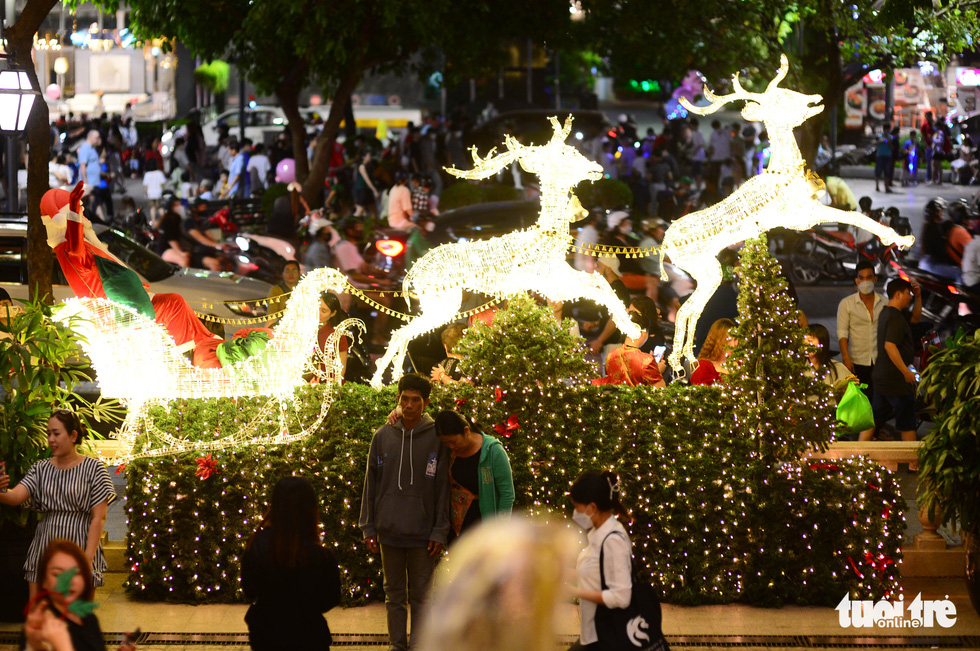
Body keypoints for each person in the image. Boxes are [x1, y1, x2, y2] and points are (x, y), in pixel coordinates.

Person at [359, 374, 450, 651]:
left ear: (426, 403)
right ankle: (397, 646)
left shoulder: (437, 438)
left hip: (423, 535)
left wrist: (439, 530)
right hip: (389, 531)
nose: (409, 405)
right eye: (404, 399)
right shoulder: (382, 436)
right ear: (397, 400)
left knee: (423, 597)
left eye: (416, 400)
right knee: (393, 595)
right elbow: (370, 484)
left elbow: (443, 487)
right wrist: (368, 526)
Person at [0, 410, 114, 598]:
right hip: (45, 545)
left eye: (56, 433)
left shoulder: (94, 469)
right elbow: (15, 497)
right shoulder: (40, 468)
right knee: (40, 614)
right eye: (48, 434)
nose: (51, 439)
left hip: (79, 545)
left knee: (77, 617)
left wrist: (88, 558)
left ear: (73, 435)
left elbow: (99, 517)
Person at [242, 476, 342, 651]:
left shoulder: (257, 544)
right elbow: (331, 598)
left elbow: (249, 589)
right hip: (309, 636)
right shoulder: (319, 554)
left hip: (266, 635)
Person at [21, 539, 137, 651]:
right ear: (44, 581)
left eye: (75, 573)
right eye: (57, 574)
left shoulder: (88, 618)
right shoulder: (42, 625)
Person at [568, 470, 633, 651]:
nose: (576, 512)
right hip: (592, 634)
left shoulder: (613, 541)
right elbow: (594, 574)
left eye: (577, 506)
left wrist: (574, 591)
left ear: (592, 507)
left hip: (607, 639)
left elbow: (621, 596)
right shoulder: (598, 533)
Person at [434, 410, 515, 541]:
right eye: (445, 443)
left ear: (466, 431)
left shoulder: (493, 451)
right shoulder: (450, 452)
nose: (450, 446)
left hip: (484, 529)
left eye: (453, 442)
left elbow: (507, 494)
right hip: (457, 530)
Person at [871, 278, 922, 442]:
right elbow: (890, 346)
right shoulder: (895, 318)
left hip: (882, 379)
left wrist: (919, 296)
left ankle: (859, 453)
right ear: (898, 294)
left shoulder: (888, 313)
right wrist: (906, 372)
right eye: (908, 294)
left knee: (872, 421)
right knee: (907, 424)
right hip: (897, 383)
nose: (910, 297)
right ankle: (913, 463)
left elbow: (916, 318)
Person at [805, 324, 875, 441]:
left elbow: (850, 396)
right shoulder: (799, 369)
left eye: (810, 340)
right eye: (803, 341)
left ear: (822, 342)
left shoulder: (836, 368)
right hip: (807, 419)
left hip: (832, 417)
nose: (805, 344)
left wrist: (849, 387)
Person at [837, 260, 886, 398]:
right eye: (862, 278)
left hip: (879, 360)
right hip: (857, 360)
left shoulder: (884, 303)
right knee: (861, 399)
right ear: (856, 280)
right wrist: (846, 358)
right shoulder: (846, 304)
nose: (866, 281)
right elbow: (842, 333)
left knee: (878, 398)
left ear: (875, 279)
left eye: (869, 277)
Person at [592, 307, 665, 387]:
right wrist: (658, 371)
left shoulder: (612, 354)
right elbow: (659, 389)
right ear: (642, 333)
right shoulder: (647, 361)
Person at [919, 198, 962, 282]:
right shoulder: (934, 229)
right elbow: (940, 251)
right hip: (931, 263)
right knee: (959, 273)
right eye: (941, 211)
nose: (942, 213)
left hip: (927, 261)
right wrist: (955, 262)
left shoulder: (931, 226)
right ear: (937, 212)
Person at [690, 318, 735, 386]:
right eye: (729, 340)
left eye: (735, 340)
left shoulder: (739, 363)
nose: (733, 345)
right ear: (718, 341)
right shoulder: (705, 367)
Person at [317, 292, 350, 378]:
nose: (318, 313)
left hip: (329, 382)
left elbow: (341, 369)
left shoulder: (337, 335)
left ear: (333, 313)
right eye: (316, 308)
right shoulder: (305, 328)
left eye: (323, 311)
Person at [265, 260, 301, 327]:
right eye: (287, 271)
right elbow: (271, 316)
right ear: (282, 274)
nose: (291, 274)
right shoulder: (276, 291)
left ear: (299, 273)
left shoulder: (304, 289)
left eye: (294, 271)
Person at [353, 150, 380, 218]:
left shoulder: (369, 166)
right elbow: (367, 180)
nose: (370, 157)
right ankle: (350, 225)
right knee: (359, 211)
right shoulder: (362, 166)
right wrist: (374, 190)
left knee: (374, 210)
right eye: (369, 156)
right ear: (363, 157)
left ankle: (374, 226)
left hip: (367, 190)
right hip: (362, 190)